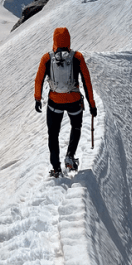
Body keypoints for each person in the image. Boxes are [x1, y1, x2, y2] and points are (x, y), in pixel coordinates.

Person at [34, 27, 97, 177]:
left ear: (54, 40)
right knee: (76, 127)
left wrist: (37, 98)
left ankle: (56, 168)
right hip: (74, 101)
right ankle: (70, 156)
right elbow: (87, 82)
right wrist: (92, 105)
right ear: (68, 39)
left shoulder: (47, 58)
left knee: (53, 134)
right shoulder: (77, 57)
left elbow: (39, 80)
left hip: (54, 102)